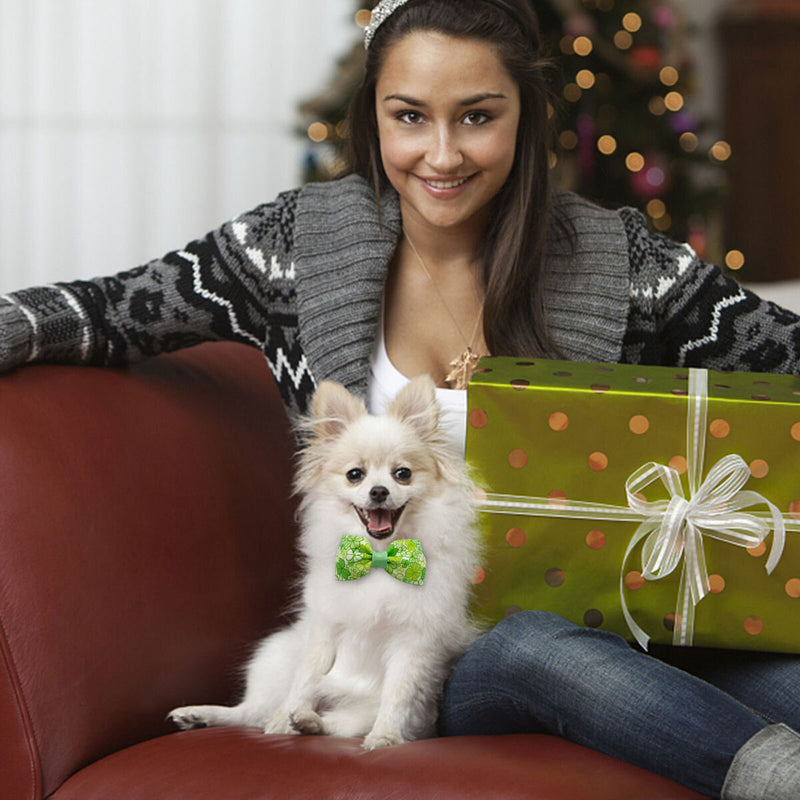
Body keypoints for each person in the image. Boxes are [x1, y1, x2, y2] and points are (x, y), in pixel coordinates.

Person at [1, 0, 799, 796]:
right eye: (410, 116)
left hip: (636, 629)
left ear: (524, 116)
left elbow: (781, 352)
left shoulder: (618, 258)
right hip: (443, 652)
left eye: (478, 117)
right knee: (530, 644)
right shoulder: (291, 247)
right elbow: (106, 311)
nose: (441, 154)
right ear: (373, 116)